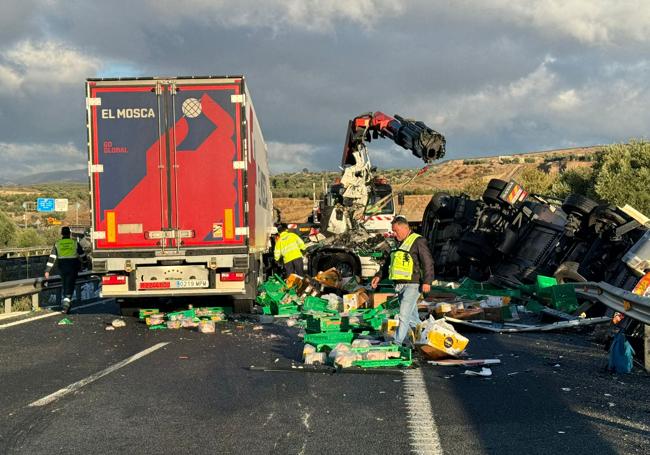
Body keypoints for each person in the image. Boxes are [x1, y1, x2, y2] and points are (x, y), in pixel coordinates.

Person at [371, 215, 434, 346]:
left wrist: (427, 281)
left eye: (396, 230)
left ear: (405, 228)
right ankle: (423, 340)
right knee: (412, 318)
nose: (394, 233)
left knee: (403, 315)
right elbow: (389, 262)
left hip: (413, 284)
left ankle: (397, 343)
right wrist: (378, 275)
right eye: (393, 230)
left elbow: (428, 262)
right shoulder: (397, 243)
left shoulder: (418, 241)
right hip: (399, 285)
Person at [44, 226, 86, 313]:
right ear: (69, 234)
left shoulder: (57, 243)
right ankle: (66, 304)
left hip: (62, 267)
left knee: (65, 284)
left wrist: (47, 270)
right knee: (70, 285)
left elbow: (52, 258)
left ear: (62, 234)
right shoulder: (74, 243)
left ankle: (66, 303)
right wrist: (85, 263)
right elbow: (82, 255)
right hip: (73, 266)